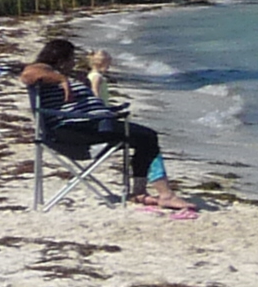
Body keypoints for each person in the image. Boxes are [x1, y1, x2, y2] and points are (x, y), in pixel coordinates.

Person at [19, 35, 171, 203]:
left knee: (144, 136)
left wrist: (108, 111)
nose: (73, 64)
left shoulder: (53, 76)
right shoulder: (44, 72)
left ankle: (142, 192)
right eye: (72, 59)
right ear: (61, 59)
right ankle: (161, 194)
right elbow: (28, 74)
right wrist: (62, 79)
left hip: (86, 125)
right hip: (75, 130)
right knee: (147, 137)